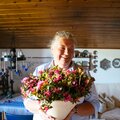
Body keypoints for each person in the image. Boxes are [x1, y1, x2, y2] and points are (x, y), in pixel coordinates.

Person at [23, 31, 100, 120]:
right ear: (52, 49)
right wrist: (41, 109)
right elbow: (28, 101)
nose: (67, 53)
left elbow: (95, 105)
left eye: (71, 49)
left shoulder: (83, 73)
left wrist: (72, 110)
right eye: (62, 48)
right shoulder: (40, 70)